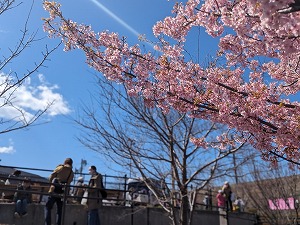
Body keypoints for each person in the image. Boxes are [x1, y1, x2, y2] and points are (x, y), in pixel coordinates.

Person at [45, 158, 74, 225]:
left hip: (54, 189)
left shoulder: (60, 167)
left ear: (65, 162)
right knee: (59, 211)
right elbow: (69, 182)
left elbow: (51, 176)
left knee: (48, 207)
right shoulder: (71, 172)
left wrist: (51, 183)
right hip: (62, 192)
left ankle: (47, 223)